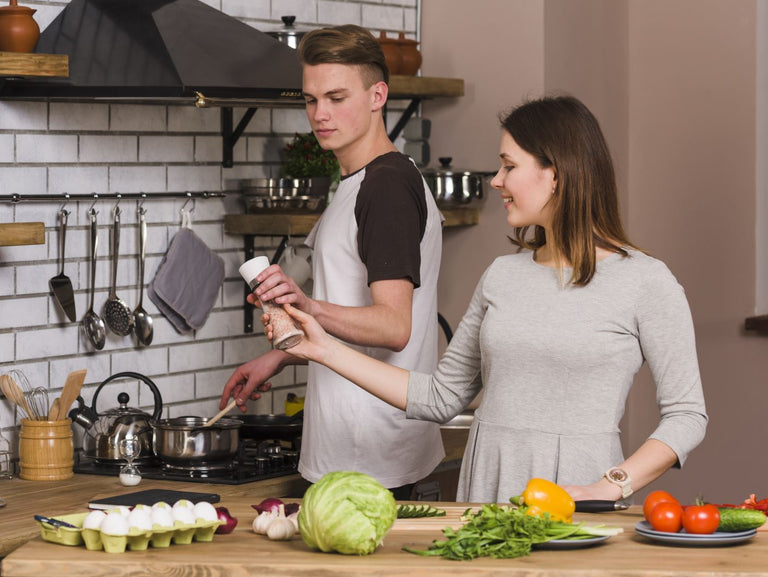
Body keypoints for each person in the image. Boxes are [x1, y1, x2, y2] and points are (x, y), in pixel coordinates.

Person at [270, 94, 709, 504]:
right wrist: (322, 349)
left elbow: (687, 415)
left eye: (508, 166)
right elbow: (441, 396)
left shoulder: (646, 282)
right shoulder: (502, 275)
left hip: (579, 499)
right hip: (486, 492)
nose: (496, 180)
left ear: (555, 174)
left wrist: (610, 486)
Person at [220, 25, 444, 500]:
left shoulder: (385, 188)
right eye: (310, 100)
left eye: (337, 97)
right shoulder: (358, 182)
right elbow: (348, 299)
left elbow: (392, 325)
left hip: (369, 455)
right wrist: (278, 355)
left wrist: (308, 306)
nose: (320, 115)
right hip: (352, 446)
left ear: (377, 94)